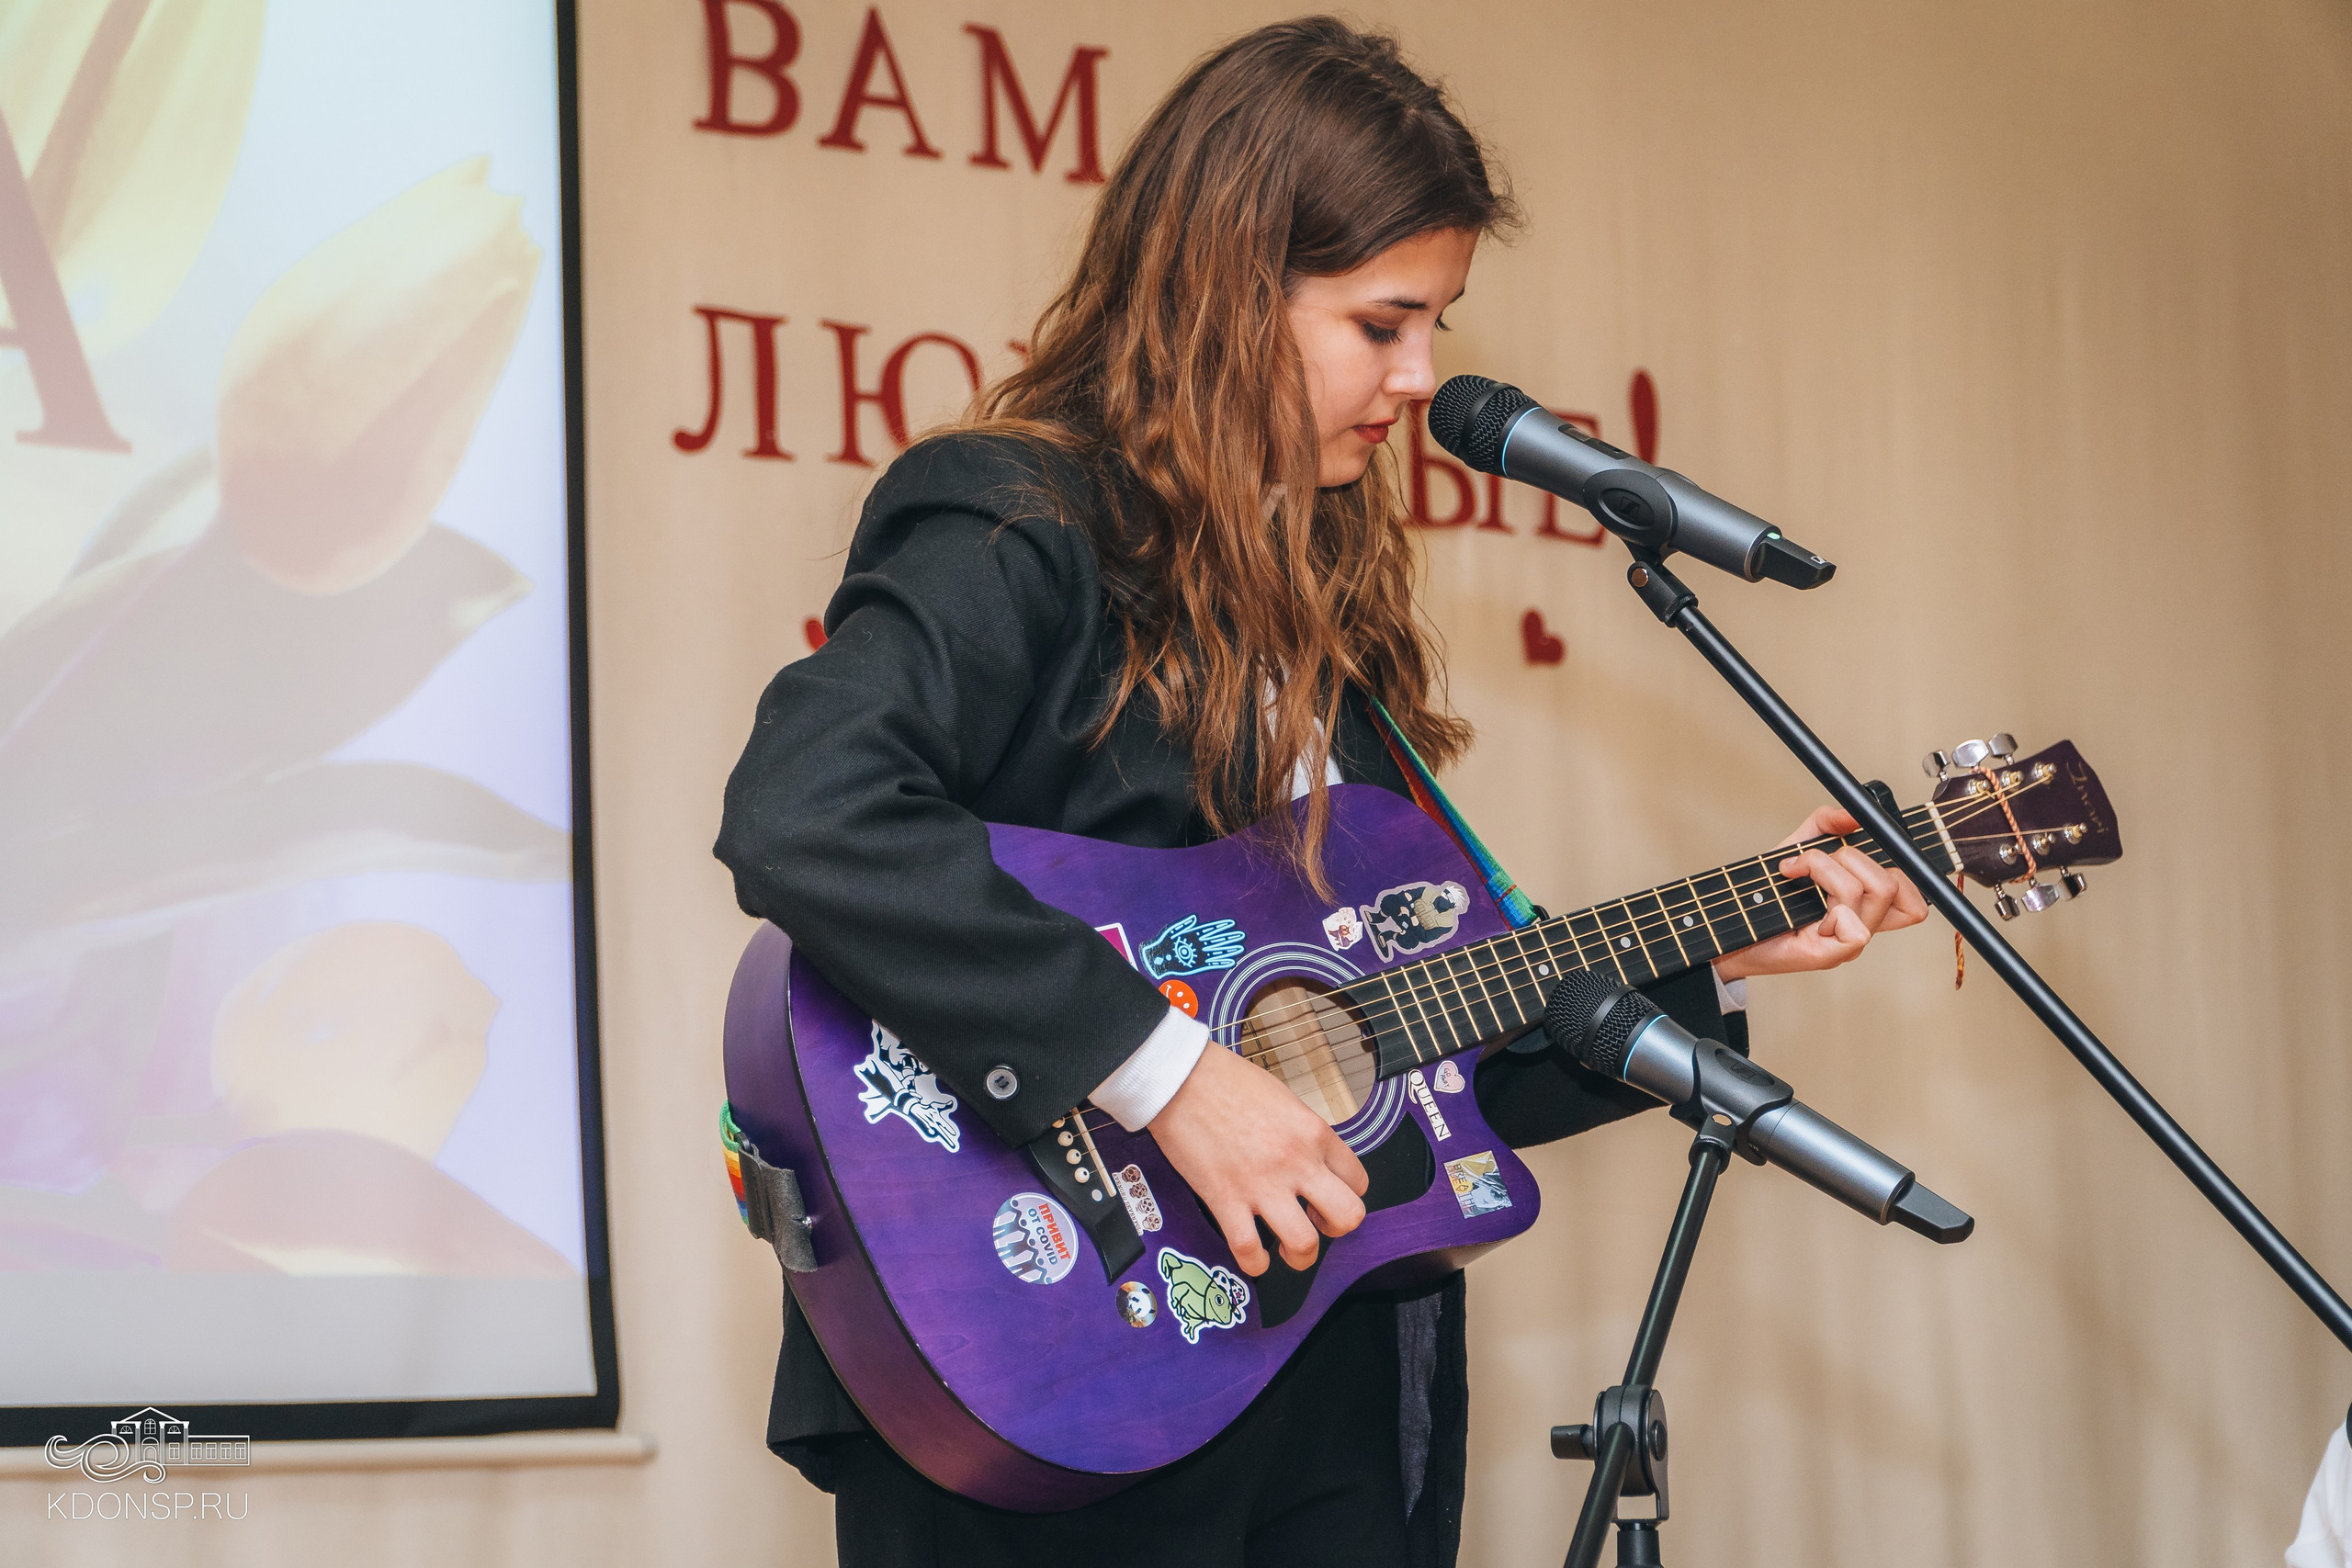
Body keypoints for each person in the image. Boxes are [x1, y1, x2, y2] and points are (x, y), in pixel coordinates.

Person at [714, 17, 1925, 1568]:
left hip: (1330, 1375)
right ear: (1229, 292)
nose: (1424, 381)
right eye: (1383, 324)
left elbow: (1418, 1052)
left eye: (1439, 326)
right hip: (1051, 1362)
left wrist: (1731, 943)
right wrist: (1168, 1075)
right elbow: (808, 806)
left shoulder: (1319, 587)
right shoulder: (1020, 516)